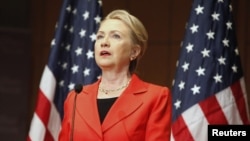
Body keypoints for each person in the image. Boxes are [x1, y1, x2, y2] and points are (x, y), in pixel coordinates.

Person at [59, 9, 172, 141]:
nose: (104, 42)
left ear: (134, 52)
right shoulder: (76, 98)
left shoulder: (155, 97)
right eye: (100, 36)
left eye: (116, 36)